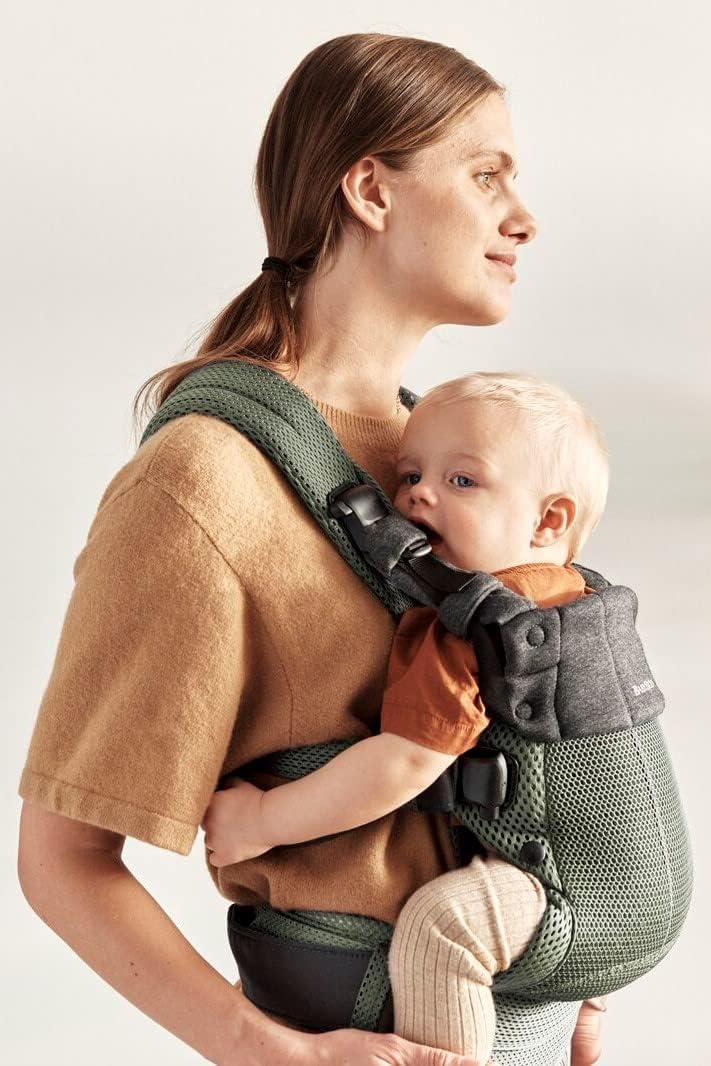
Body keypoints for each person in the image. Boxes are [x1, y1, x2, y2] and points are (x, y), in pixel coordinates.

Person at [16, 32, 604, 1065]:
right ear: (371, 191)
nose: (524, 217)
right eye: (485, 175)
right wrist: (273, 1053)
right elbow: (62, 859)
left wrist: (572, 992)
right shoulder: (202, 480)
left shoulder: (447, 463)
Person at [201, 370, 610, 1063]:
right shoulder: (584, 603)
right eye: (410, 474)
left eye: (462, 480)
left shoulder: (474, 626)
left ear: (548, 521)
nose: (418, 494)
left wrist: (264, 820)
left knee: (441, 927)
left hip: (555, 888)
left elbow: (405, 761)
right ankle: (587, 1008)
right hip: (621, 883)